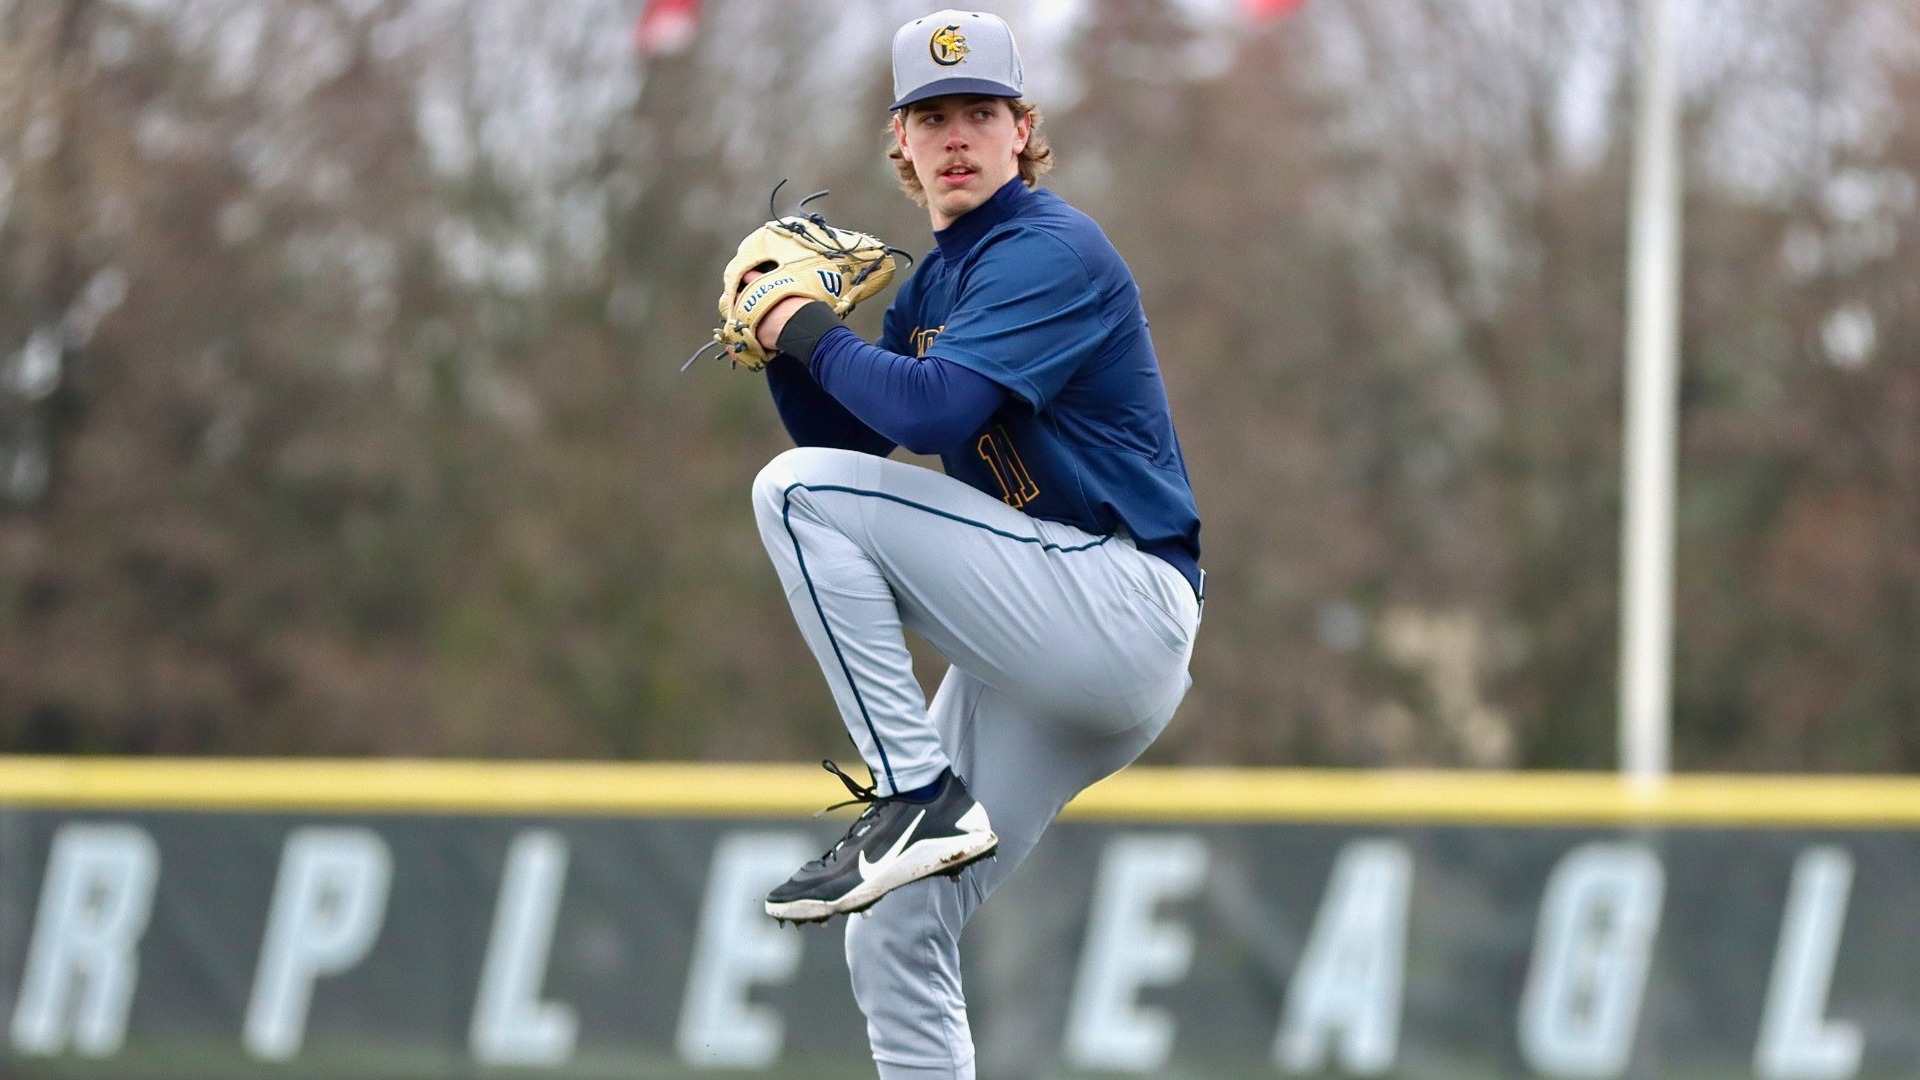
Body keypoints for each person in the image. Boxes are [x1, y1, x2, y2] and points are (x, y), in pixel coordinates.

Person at [741, 9, 1203, 1078]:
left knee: (795, 498)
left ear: (1023, 128)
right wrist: (785, 344)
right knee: (895, 929)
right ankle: (919, 808)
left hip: (1116, 601)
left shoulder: (1049, 248)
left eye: (980, 112)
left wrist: (804, 326)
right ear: (897, 140)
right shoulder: (933, 288)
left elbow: (933, 417)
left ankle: (914, 794)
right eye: (931, 114)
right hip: (1044, 642)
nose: (957, 135)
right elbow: (849, 437)